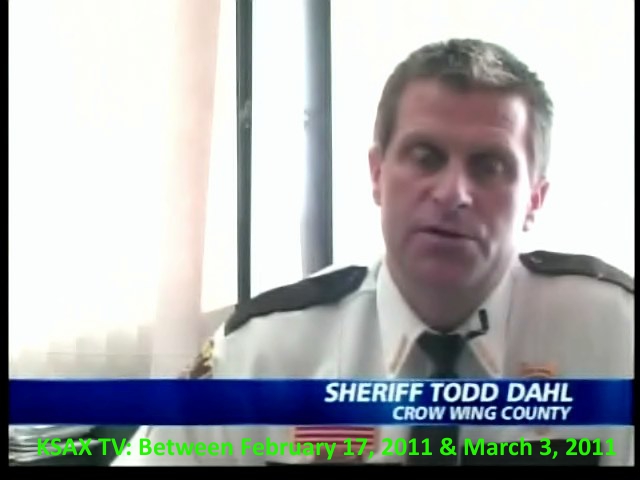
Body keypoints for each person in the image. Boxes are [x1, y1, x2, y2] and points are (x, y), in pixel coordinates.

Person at [112, 38, 634, 466]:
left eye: (489, 166)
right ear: (378, 174)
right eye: (425, 156)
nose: (453, 193)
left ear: (535, 199)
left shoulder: (618, 339)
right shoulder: (263, 355)